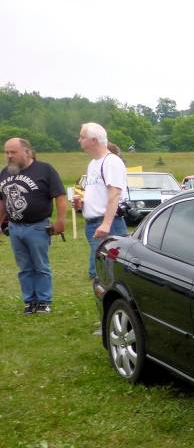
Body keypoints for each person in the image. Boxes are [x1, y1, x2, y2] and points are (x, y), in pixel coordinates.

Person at [0, 138, 67, 314]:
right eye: (7, 152)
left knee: (40, 265)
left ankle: (44, 301)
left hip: (37, 226)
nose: (9, 156)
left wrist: (61, 221)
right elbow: (2, 202)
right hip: (14, 228)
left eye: (13, 152)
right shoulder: (5, 173)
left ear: (27, 152)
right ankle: (30, 301)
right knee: (24, 267)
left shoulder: (44, 170)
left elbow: (60, 196)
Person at [78, 122, 128, 279]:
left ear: (93, 140)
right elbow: (99, 193)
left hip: (108, 225)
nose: (79, 140)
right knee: (100, 273)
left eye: (82, 137)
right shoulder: (93, 164)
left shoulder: (111, 161)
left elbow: (115, 194)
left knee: (108, 273)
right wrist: (84, 203)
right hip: (93, 223)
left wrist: (106, 224)